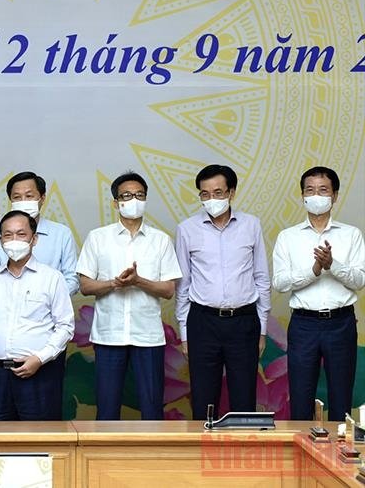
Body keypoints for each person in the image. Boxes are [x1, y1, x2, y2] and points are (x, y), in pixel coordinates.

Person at [76, 172, 182, 420]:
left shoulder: (160, 241)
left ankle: (152, 458)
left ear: (145, 199)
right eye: (126, 195)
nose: (133, 200)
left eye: (139, 195)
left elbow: (168, 290)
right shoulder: (98, 238)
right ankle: (103, 459)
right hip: (109, 335)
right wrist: (115, 283)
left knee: (152, 408)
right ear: (116, 202)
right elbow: (85, 285)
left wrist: (138, 281)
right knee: (107, 408)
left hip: (148, 336)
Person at [175, 164, 271, 420]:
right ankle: (201, 455)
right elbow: (183, 285)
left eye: (218, 192)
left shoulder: (251, 225)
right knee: (203, 399)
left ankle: (240, 457)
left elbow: (261, 278)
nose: (211, 199)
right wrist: (185, 333)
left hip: (244, 321)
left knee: (243, 398)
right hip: (202, 322)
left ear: (232, 193)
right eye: (204, 194)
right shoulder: (187, 229)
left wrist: (261, 329)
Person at [272, 166, 365, 421]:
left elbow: (359, 280)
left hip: (341, 323)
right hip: (304, 324)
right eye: (310, 190)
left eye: (323, 190)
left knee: (341, 395)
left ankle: (338, 457)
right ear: (302, 196)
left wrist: (332, 265)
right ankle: (301, 455)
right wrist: (314, 270)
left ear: (334, 195)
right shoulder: (287, 237)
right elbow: (279, 283)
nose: (316, 195)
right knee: (300, 395)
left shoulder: (351, 235)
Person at [0, 210, 74, 420]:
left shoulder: (52, 278)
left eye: (21, 234)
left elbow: (66, 326)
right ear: (0, 239)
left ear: (34, 239)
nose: (14, 240)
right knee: (2, 441)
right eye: (8, 235)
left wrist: (39, 359)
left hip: (39, 372)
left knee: (40, 442)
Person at [0, 171, 78, 295]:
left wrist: (45, 300)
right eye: (17, 197)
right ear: (10, 200)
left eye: (29, 196)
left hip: (49, 310)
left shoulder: (62, 233)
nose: (23, 201)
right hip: (7, 308)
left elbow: (72, 280)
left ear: (42, 198)